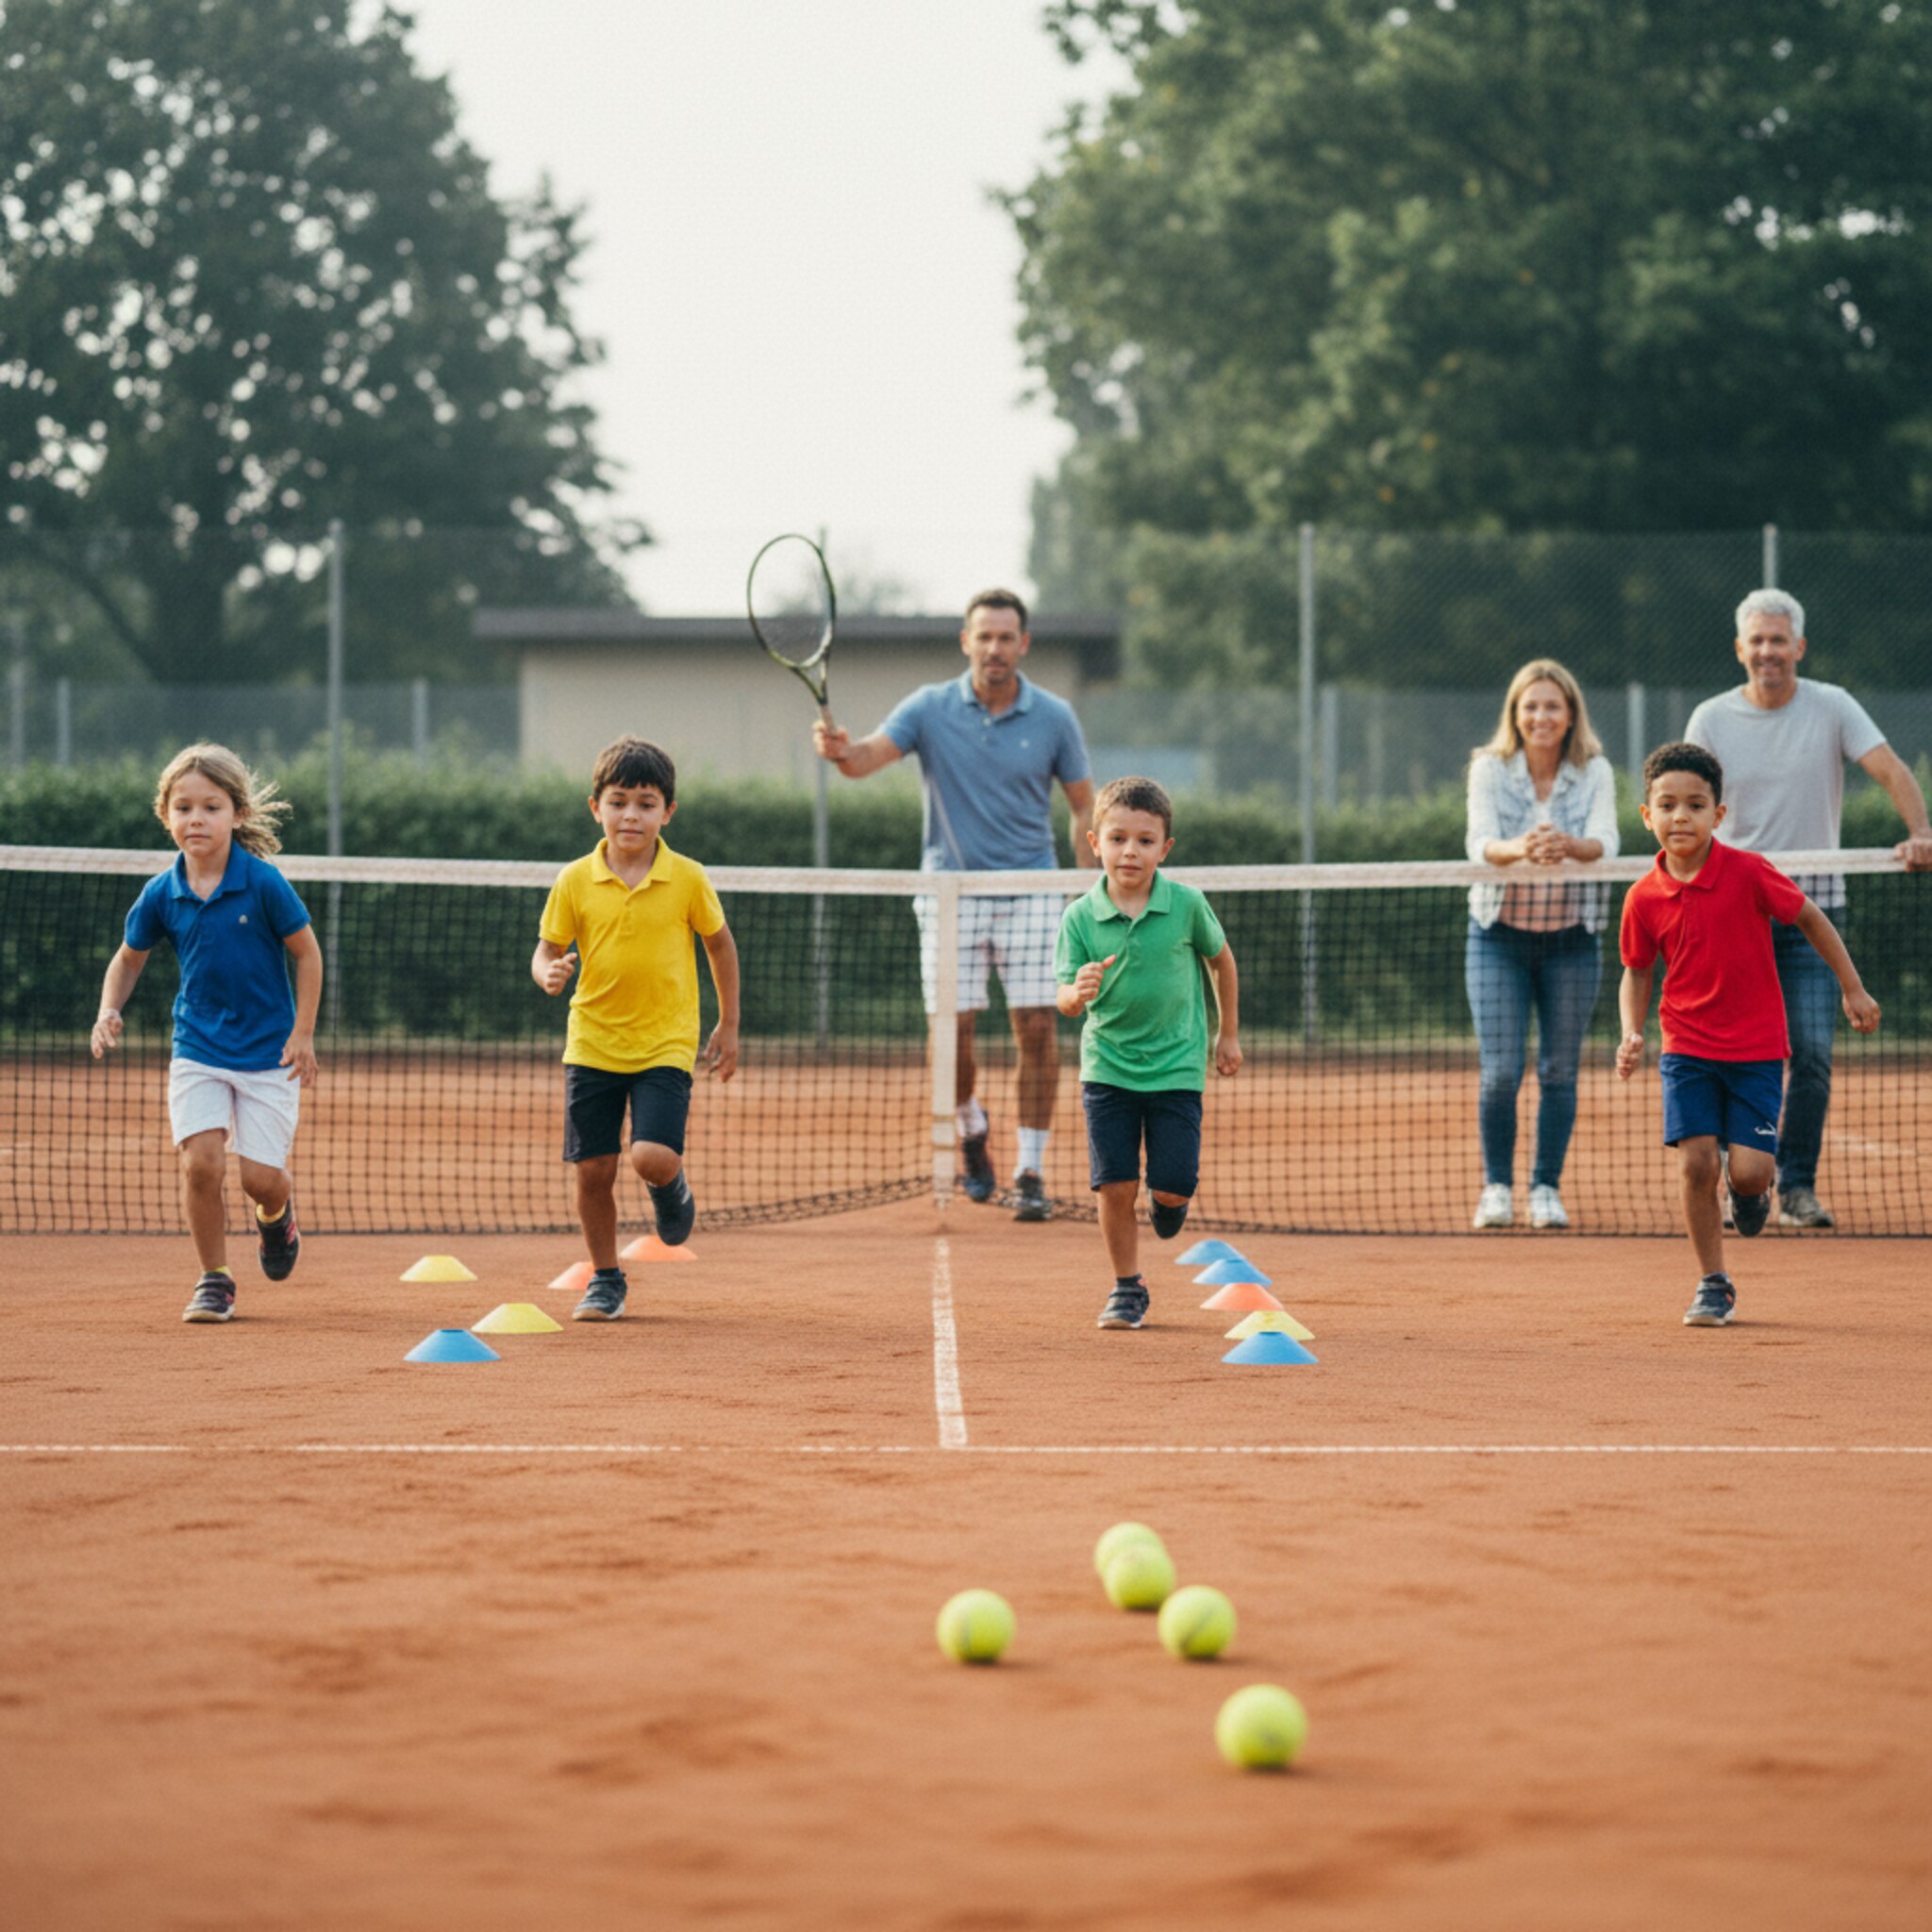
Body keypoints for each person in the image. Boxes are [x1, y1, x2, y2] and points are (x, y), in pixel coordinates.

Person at [812, 589, 1095, 1221]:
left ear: (1023, 645)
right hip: (949, 894)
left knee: (1039, 1028)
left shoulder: (1055, 717)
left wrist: (1087, 891)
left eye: (1006, 637)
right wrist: (840, 751)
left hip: (1031, 892)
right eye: (983, 636)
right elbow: (863, 761)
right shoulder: (929, 707)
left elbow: (1084, 805)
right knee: (953, 1036)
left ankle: (1030, 1171)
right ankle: (972, 1126)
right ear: (965, 642)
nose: (994, 648)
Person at [1685, 589, 1932, 1228]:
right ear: (1740, 650)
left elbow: (1890, 768)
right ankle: (1740, 1179)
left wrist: (1922, 832)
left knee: (1813, 1055)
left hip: (1811, 916)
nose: (1769, 652)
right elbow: (1683, 796)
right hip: (1733, 919)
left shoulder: (1832, 706)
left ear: (1799, 646)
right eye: (1757, 641)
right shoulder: (1710, 717)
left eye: (1779, 640)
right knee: (1726, 1055)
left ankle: (1794, 1186)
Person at [1616, 742, 1879, 1328]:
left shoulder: (1749, 872)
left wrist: (1852, 987)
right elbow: (1636, 971)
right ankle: (1713, 1283)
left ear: (1719, 814)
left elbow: (1810, 916)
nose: (1680, 816)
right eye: (1667, 805)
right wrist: (1632, 1031)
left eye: (1695, 804)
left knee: (1751, 1173)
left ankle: (1753, 1192)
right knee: (1697, 1164)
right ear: (1646, 815)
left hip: (1757, 1050)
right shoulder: (1641, 898)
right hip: (1686, 1050)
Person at [90, 743, 322, 1323]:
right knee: (202, 1163)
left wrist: (303, 1033)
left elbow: (309, 955)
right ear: (166, 815)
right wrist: (108, 1009)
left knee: (260, 1180)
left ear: (237, 815)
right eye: (183, 806)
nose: (196, 818)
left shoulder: (264, 883)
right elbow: (128, 959)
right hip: (197, 1048)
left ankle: (278, 1217)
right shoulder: (160, 893)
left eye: (211, 807)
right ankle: (214, 1278)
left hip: (269, 1055)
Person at [532, 736, 740, 1323]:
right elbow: (546, 949)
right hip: (592, 1042)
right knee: (594, 1170)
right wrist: (548, 971)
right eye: (619, 801)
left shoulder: (688, 878)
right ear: (594, 806)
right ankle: (605, 1277)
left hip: (665, 1044)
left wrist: (729, 1022)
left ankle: (670, 1189)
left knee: (650, 1156)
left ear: (667, 812)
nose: (631, 815)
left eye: (646, 803)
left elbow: (719, 945)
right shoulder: (573, 880)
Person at [1055, 777, 1241, 1330]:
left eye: (1144, 840)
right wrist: (1077, 990)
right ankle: (1127, 1287)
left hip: (1177, 1069)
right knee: (1114, 1184)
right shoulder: (1080, 918)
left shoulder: (1186, 905)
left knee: (1172, 1183)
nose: (1129, 851)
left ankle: (1169, 1200)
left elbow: (1221, 962)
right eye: (1117, 839)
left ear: (1166, 848)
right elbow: (1064, 998)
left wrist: (1226, 1034)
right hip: (1107, 1069)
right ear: (1095, 842)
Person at [1464, 658, 1618, 1231]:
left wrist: (1570, 846)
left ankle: (1546, 1187)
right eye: (1530, 705)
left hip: (1572, 942)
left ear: (1571, 712)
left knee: (1558, 1070)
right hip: (1497, 938)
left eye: (1552, 705)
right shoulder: (1487, 767)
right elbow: (1480, 844)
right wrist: (1523, 848)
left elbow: (1605, 838)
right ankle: (1497, 1188)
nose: (1541, 715)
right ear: (1515, 713)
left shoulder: (1595, 769)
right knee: (1502, 1070)